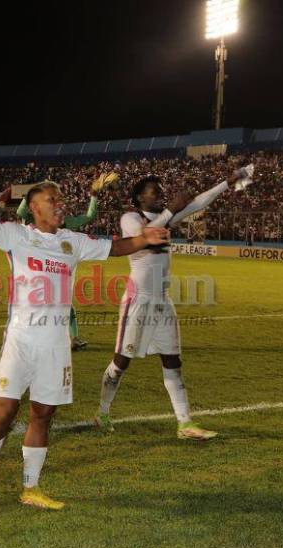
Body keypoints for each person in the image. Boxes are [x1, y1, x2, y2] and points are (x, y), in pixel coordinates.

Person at [0, 180, 171, 509]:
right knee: (4, 413)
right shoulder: (17, 235)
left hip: (56, 344)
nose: (60, 204)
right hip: (20, 340)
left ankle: (31, 488)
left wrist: (143, 238)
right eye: (52, 200)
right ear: (35, 207)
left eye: (61, 199)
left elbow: (114, 248)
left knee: (43, 414)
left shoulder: (72, 241)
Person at [95, 166, 252, 439]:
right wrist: (170, 211)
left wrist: (226, 183)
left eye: (161, 192)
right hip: (138, 300)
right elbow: (142, 237)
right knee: (121, 362)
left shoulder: (167, 217)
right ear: (140, 198)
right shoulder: (131, 217)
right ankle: (102, 412)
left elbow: (200, 201)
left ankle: (185, 423)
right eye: (154, 192)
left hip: (162, 302)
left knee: (172, 361)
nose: (160, 195)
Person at [16, 174, 112, 351]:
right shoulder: (44, 221)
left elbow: (90, 216)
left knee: (61, 305)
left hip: (48, 269)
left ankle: (71, 338)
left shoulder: (60, 222)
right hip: (42, 270)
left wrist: (94, 195)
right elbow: (20, 212)